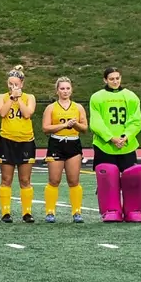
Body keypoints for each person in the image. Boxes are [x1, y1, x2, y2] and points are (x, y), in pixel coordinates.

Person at [88, 68, 141, 223]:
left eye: (117, 78)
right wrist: (110, 138)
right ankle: (110, 209)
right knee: (107, 179)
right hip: (105, 145)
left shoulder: (131, 96)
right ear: (105, 80)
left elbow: (136, 120)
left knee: (130, 179)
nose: (115, 81)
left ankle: (132, 209)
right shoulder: (97, 97)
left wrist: (126, 136)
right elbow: (96, 121)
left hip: (127, 145)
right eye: (111, 78)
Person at [0, 67, 37, 224]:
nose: (13, 87)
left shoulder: (29, 97)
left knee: (25, 179)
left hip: (25, 141)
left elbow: (27, 114)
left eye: (16, 84)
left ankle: (27, 212)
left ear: (22, 84)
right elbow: (2, 113)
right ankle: (5, 212)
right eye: (10, 84)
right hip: (7, 140)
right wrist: (12, 98)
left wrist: (18, 99)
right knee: (6, 178)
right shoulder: (2, 97)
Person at [42, 77, 87, 224]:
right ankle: (50, 211)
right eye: (62, 88)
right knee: (54, 180)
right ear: (57, 91)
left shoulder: (78, 107)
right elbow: (45, 128)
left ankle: (77, 212)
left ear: (71, 90)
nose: (65, 91)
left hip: (73, 144)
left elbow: (85, 128)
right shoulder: (51, 108)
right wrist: (64, 126)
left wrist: (75, 126)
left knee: (73, 180)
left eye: (67, 88)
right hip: (56, 144)